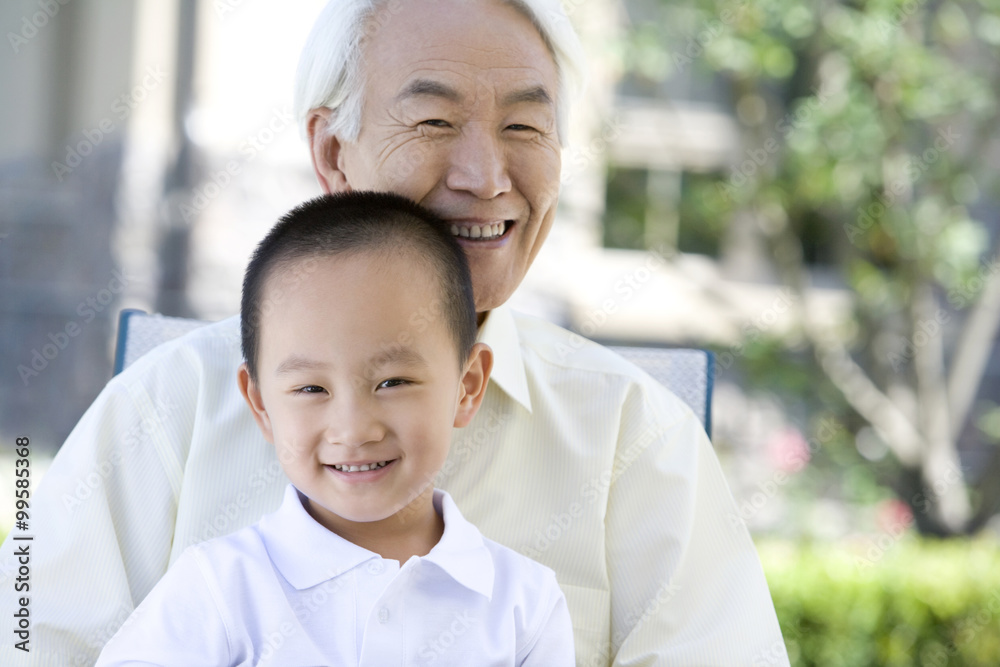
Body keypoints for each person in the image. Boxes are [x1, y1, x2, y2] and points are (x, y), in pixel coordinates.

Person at [0, 0, 787, 665]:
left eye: (524, 126)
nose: (486, 175)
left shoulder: (637, 438)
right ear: (332, 152)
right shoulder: (164, 405)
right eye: (436, 120)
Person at [94, 192, 575, 666]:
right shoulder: (216, 589)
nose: (354, 429)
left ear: (467, 387)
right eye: (310, 389)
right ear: (260, 404)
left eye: (393, 381)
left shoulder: (524, 606)